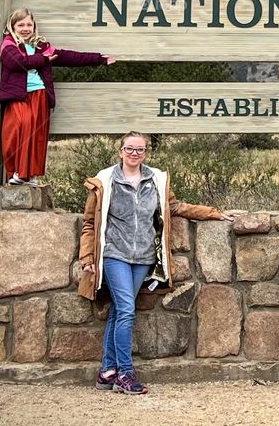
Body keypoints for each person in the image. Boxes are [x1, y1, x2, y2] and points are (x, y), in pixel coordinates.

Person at [78, 132, 233, 395]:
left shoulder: (156, 179)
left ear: (146, 153)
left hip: (143, 258)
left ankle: (107, 371)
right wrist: (87, 258)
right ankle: (126, 374)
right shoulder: (104, 181)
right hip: (115, 254)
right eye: (129, 148)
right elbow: (90, 223)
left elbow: (175, 206)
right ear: (120, 151)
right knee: (127, 310)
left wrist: (213, 213)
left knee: (118, 310)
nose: (134, 153)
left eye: (140, 149)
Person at [0, 8, 115, 186]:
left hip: (40, 93)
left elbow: (68, 57)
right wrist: (44, 60)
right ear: (13, 27)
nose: (26, 28)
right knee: (17, 129)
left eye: (29, 24)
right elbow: (17, 63)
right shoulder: (9, 44)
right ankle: (16, 172)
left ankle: (28, 175)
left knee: (36, 135)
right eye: (21, 25)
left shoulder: (41, 46)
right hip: (18, 96)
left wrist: (98, 59)